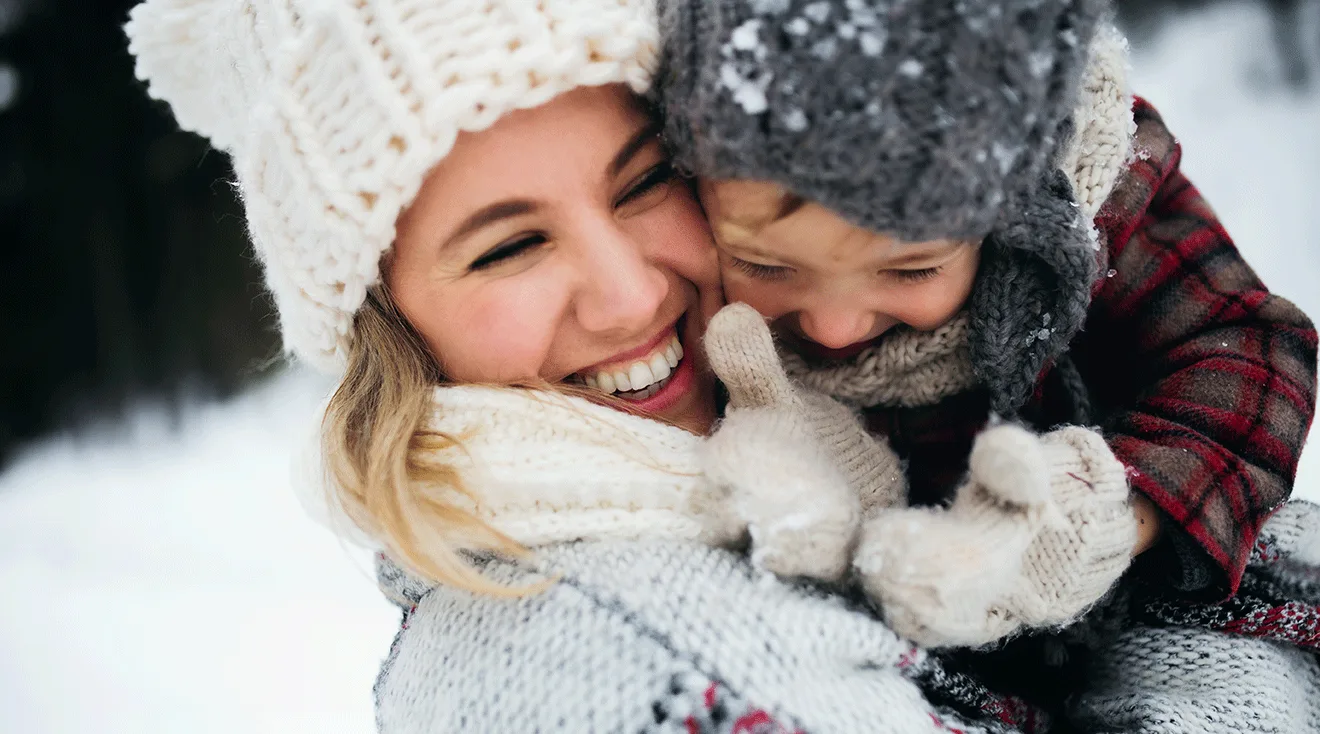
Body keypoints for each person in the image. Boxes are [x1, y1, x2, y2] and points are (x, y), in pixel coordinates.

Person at [123, 1, 1033, 731]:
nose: (630, 296)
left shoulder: (836, 410)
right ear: (388, 329)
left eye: (645, 182)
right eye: (510, 247)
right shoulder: (655, 662)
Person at [654, 0, 1319, 652]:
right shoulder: (665, 260)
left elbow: (1253, 354)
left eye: (911, 271)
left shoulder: (1095, 203)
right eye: (764, 265)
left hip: (1098, 620)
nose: (833, 327)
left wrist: (1106, 513)